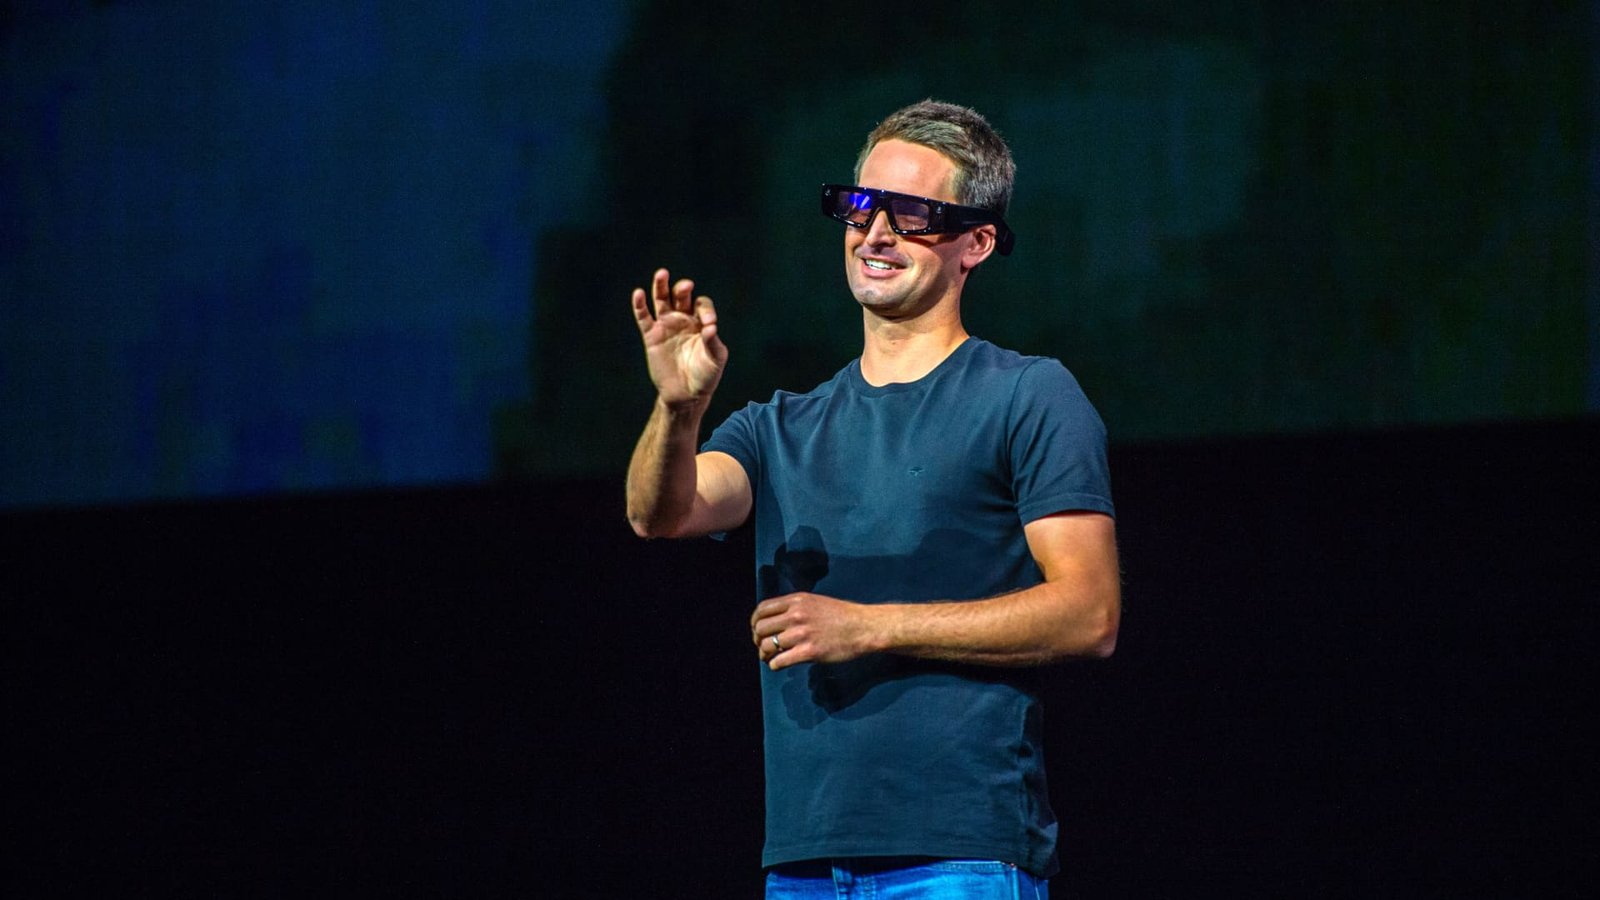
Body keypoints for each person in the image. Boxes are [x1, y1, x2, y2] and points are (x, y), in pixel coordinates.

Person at [625, 99, 1119, 899]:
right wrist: (679, 408)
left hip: (959, 853)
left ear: (976, 243)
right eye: (860, 205)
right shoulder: (778, 426)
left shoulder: (1028, 396)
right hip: (804, 863)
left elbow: (1089, 615)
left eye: (912, 214)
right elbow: (662, 512)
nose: (875, 233)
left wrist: (868, 626)